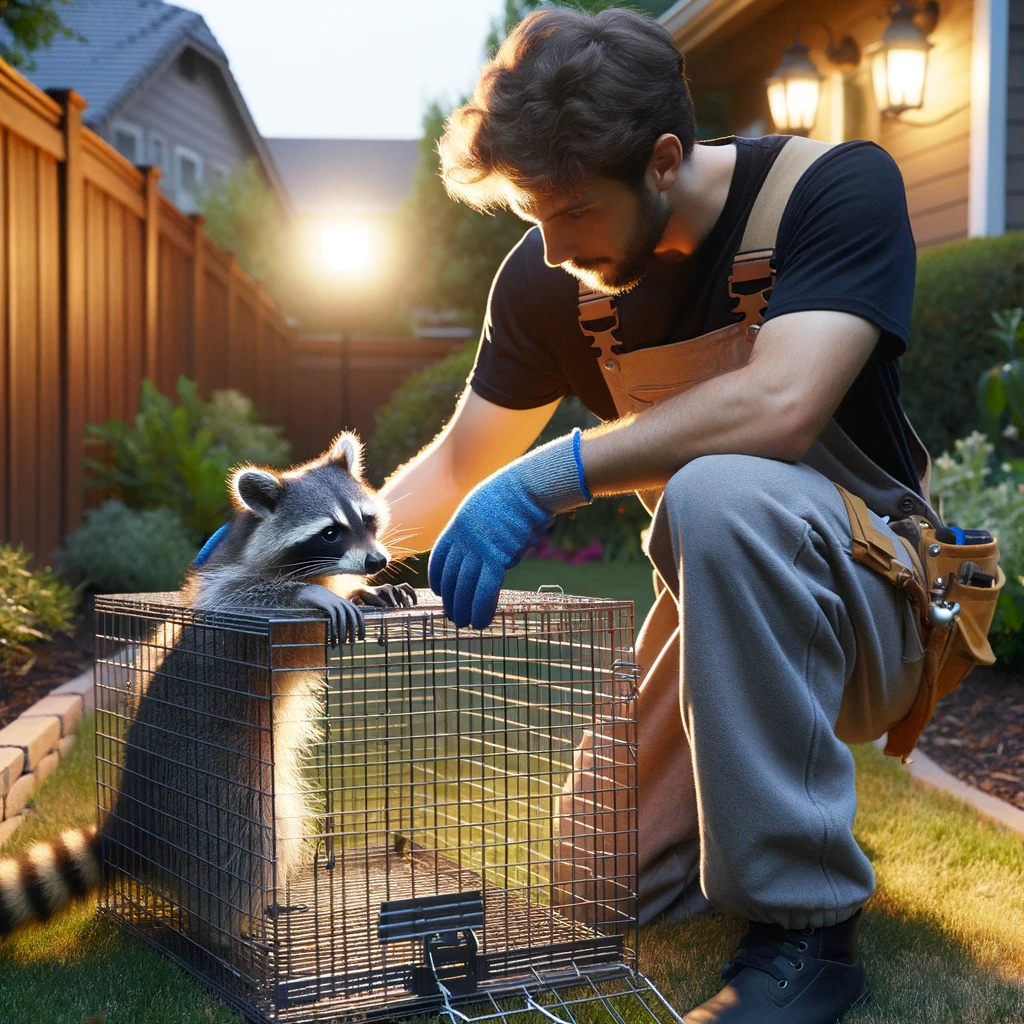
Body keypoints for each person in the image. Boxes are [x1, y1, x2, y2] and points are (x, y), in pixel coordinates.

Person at [390, 8, 933, 1022]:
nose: (549, 251)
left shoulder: (832, 190)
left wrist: (548, 477)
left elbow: (780, 405)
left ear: (664, 160)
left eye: (566, 211)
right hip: (717, 611)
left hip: (875, 606)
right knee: (601, 888)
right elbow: (457, 466)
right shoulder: (555, 281)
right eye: (527, 216)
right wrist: (312, 548)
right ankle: (773, 824)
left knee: (717, 486)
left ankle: (805, 932)